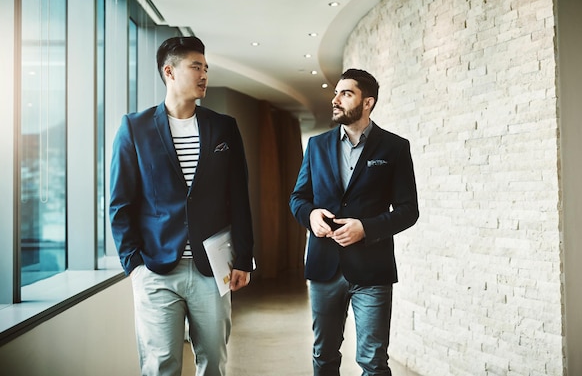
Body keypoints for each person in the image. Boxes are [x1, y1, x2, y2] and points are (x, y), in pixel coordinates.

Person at [109, 36, 254, 376]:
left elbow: (239, 198)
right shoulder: (135, 128)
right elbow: (120, 203)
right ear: (169, 71)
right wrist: (134, 265)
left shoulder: (224, 127)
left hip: (211, 269)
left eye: (206, 68)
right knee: (161, 366)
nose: (204, 74)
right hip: (156, 270)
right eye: (196, 67)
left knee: (214, 363)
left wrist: (244, 258)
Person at [290, 68, 419, 375]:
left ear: (367, 103)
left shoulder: (394, 148)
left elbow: (408, 210)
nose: (335, 99)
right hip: (324, 267)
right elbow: (298, 197)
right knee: (324, 355)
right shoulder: (317, 146)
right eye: (336, 92)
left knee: (373, 361)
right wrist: (310, 215)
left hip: (372, 270)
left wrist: (366, 228)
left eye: (346, 93)